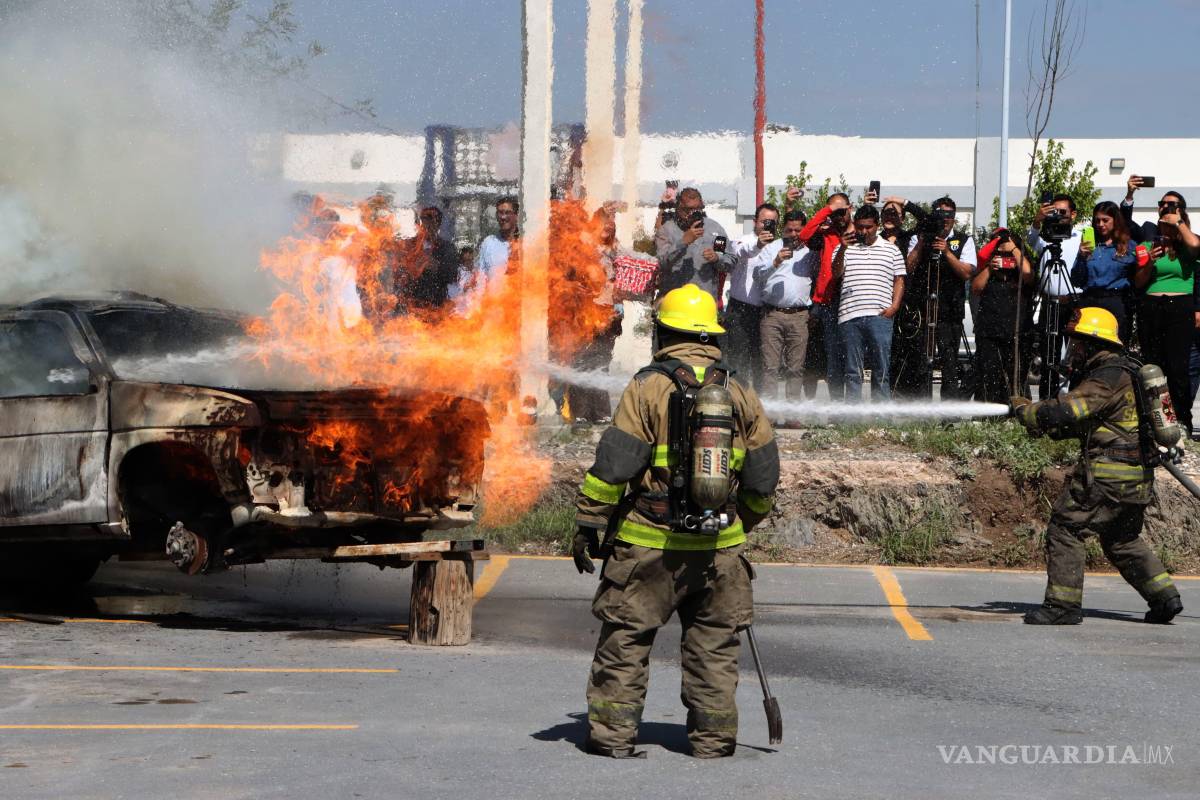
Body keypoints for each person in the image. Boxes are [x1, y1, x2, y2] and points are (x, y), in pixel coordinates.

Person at [572, 284, 779, 759]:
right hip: (719, 551)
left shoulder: (648, 386)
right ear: (712, 337)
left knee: (626, 641)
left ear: (663, 333)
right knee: (714, 649)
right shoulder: (739, 390)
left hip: (649, 545)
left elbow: (616, 464)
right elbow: (764, 476)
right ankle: (714, 739)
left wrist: (588, 521)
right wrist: (739, 523)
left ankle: (612, 737)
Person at [1012, 307, 1183, 625]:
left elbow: (1068, 410)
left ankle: (1062, 606)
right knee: (1122, 539)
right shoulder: (1130, 372)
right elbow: (1099, 423)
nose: (1073, 350)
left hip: (1107, 476)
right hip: (1138, 477)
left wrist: (1029, 412)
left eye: (1077, 342)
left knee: (1066, 527)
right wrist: (1051, 429)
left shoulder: (1107, 377)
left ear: (1092, 343)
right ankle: (1164, 597)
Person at [1133, 197, 1200, 435]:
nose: (1166, 213)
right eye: (1162, 211)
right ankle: (1157, 420)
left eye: (1171, 209)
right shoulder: (1149, 244)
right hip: (1152, 306)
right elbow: (1139, 282)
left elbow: (1195, 245)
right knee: (1154, 365)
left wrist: (1178, 223)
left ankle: (1181, 420)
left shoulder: (1187, 244)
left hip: (1179, 306)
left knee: (1178, 367)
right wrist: (1149, 263)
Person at [897, 197, 975, 398]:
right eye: (940, 214)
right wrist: (922, 242)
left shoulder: (964, 240)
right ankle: (923, 407)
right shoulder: (920, 237)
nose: (944, 219)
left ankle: (948, 409)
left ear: (954, 217)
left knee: (949, 364)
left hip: (950, 313)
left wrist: (947, 252)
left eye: (948, 215)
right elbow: (907, 268)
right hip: (924, 312)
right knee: (922, 364)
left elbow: (967, 273)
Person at [567, 207, 638, 423]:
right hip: (584, 313)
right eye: (605, 221)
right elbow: (568, 278)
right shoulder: (582, 247)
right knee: (581, 360)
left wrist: (621, 299)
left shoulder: (617, 249)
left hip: (610, 315)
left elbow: (628, 276)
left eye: (612, 222)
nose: (610, 225)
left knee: (601, 361)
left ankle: (600, 412)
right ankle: (580, 412)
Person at [831, 205, 905, 403]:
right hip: (850, 315)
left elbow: (899, 280)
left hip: (880, 316)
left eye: (868, 227)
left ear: (877, 225)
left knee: (881, 369)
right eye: (860, 227)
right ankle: (853, 414)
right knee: (852, 371)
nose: (864, 231)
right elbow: (836, 273)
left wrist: (894, 307)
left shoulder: (891, 250)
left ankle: (881, 414)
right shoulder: (844, 248)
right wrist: (843, 248)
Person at [1027, 194, 1083, 398]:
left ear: (1073, 214)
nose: (1058, 216)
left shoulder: (1081, 237)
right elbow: (1030, 241)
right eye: (1054, 211)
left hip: (1074, 303)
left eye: (1062, 212)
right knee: (1049, 355)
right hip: (1050, 303)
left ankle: (1073, 399)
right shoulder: (1045, 236)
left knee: (1075, 357)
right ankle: (1047, 399)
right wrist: (1038, 221)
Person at [798, 193, 853, 400]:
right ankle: (836, 404)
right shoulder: (826, 234)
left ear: (850, 208)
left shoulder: (860, 231)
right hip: (829, 302)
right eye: (834, 212)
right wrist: (828, 210)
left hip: (853, 299)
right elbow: (804, 236)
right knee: (832, 355)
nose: (839, 216)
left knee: (852, 355)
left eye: (842, 211)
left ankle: (852, 404)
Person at [758, 209, 815, 402]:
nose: (793, 234)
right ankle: (770, 409)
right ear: (782, 229)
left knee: (796, 367)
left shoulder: (810, 251)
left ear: (804, 229)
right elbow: (757, 275)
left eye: (797, 230)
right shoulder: (771, 247)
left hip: (799, 315)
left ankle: (793, 408)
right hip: (772, 314)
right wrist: (776, 261)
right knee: (770, 366)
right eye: (789, 230)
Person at [971, 229, 1034, 404]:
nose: (1004, 257)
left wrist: (1013, 250)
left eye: (1007, 253)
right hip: (989, 330)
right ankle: (987, 411)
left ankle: (1016, 409)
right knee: (989, 374)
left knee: (1016, 374)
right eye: (999, 251)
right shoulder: (987, 266)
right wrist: (990, 268)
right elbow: (976, 288)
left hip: (1017, 330)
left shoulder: (1021, 267)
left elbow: (1028, 273)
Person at [724, 202, 782, 389]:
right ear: (755, 221)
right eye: (764, 221)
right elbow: (740, 251)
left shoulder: (779, 247)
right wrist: (759, 244)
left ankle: (758, 400)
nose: (767, 226)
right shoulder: (743, 241)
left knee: (762, 361)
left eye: (772, 222)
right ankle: (737, 398)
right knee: (738, 358)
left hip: (767, 312)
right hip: (741, 310)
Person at [1071, 201, 1138, 345]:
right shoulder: (1089, 245)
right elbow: (1076, 280)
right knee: (1086, 347)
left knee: (1114, 347)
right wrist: (1081, 257)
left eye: (1105, 220)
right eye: (1097, 221)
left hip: (1116, 301)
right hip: (1090, 300)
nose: (1100, 224)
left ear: (1115, 220)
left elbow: (1138, 277)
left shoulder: (1129, 246)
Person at [653, 187, 735, 300]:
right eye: (689, 209)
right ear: (679, 208)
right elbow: (661, 263)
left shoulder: (715, 230)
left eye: (698, 209)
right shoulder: (667, 230)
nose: (694, 213)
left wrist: (717, 258)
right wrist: (683, 242)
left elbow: (730, 260)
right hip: (673, 302)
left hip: (704, 302)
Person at [397, 206, 460, 311]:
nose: (427, 225)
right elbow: (399, 272)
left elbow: (453, 276)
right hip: (412, 305)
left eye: (431, 220)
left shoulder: (447, 247)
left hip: (436, 306)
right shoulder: (409, 245)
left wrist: (437, 267)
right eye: (424, 220)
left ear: (438, 224)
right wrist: (413, 268)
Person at [461, 196, 520, 297]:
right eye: (500, 212)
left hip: (519, 302)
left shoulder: (526, 244)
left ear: (516, 215)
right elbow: (480, 277)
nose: (503, 217)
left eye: (507, 212)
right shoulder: (488, 243)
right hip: (493, 303)